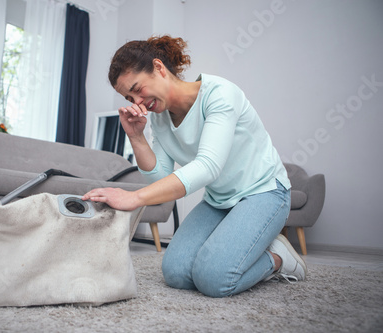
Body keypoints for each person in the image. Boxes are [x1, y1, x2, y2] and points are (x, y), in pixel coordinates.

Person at [82, 35, 306, 298]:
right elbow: (161, 178)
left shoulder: (220, 94)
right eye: (129, 97)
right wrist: (136, 138)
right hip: (219, 200)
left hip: (265, 192)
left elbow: (208, 166)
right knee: (176, 273)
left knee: (214, 279)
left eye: (137, 88)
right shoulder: (160, 120)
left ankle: (279, 258)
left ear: (159, 68)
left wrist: (134, 198)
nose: (138, 103)